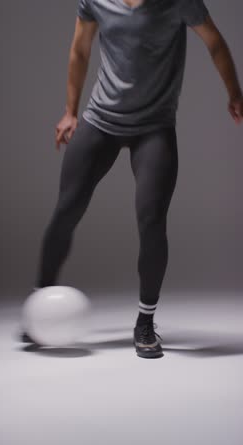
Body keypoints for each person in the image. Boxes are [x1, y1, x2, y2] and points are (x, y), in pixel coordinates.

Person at [20, 0, 243, 358]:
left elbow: (213, 40)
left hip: (154, 127)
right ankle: (40, 307)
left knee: (152, 219)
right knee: (66, 209)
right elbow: (80, 48)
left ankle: (145, 322)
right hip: (102, 119)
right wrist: (70, 111)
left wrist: (234, 91)